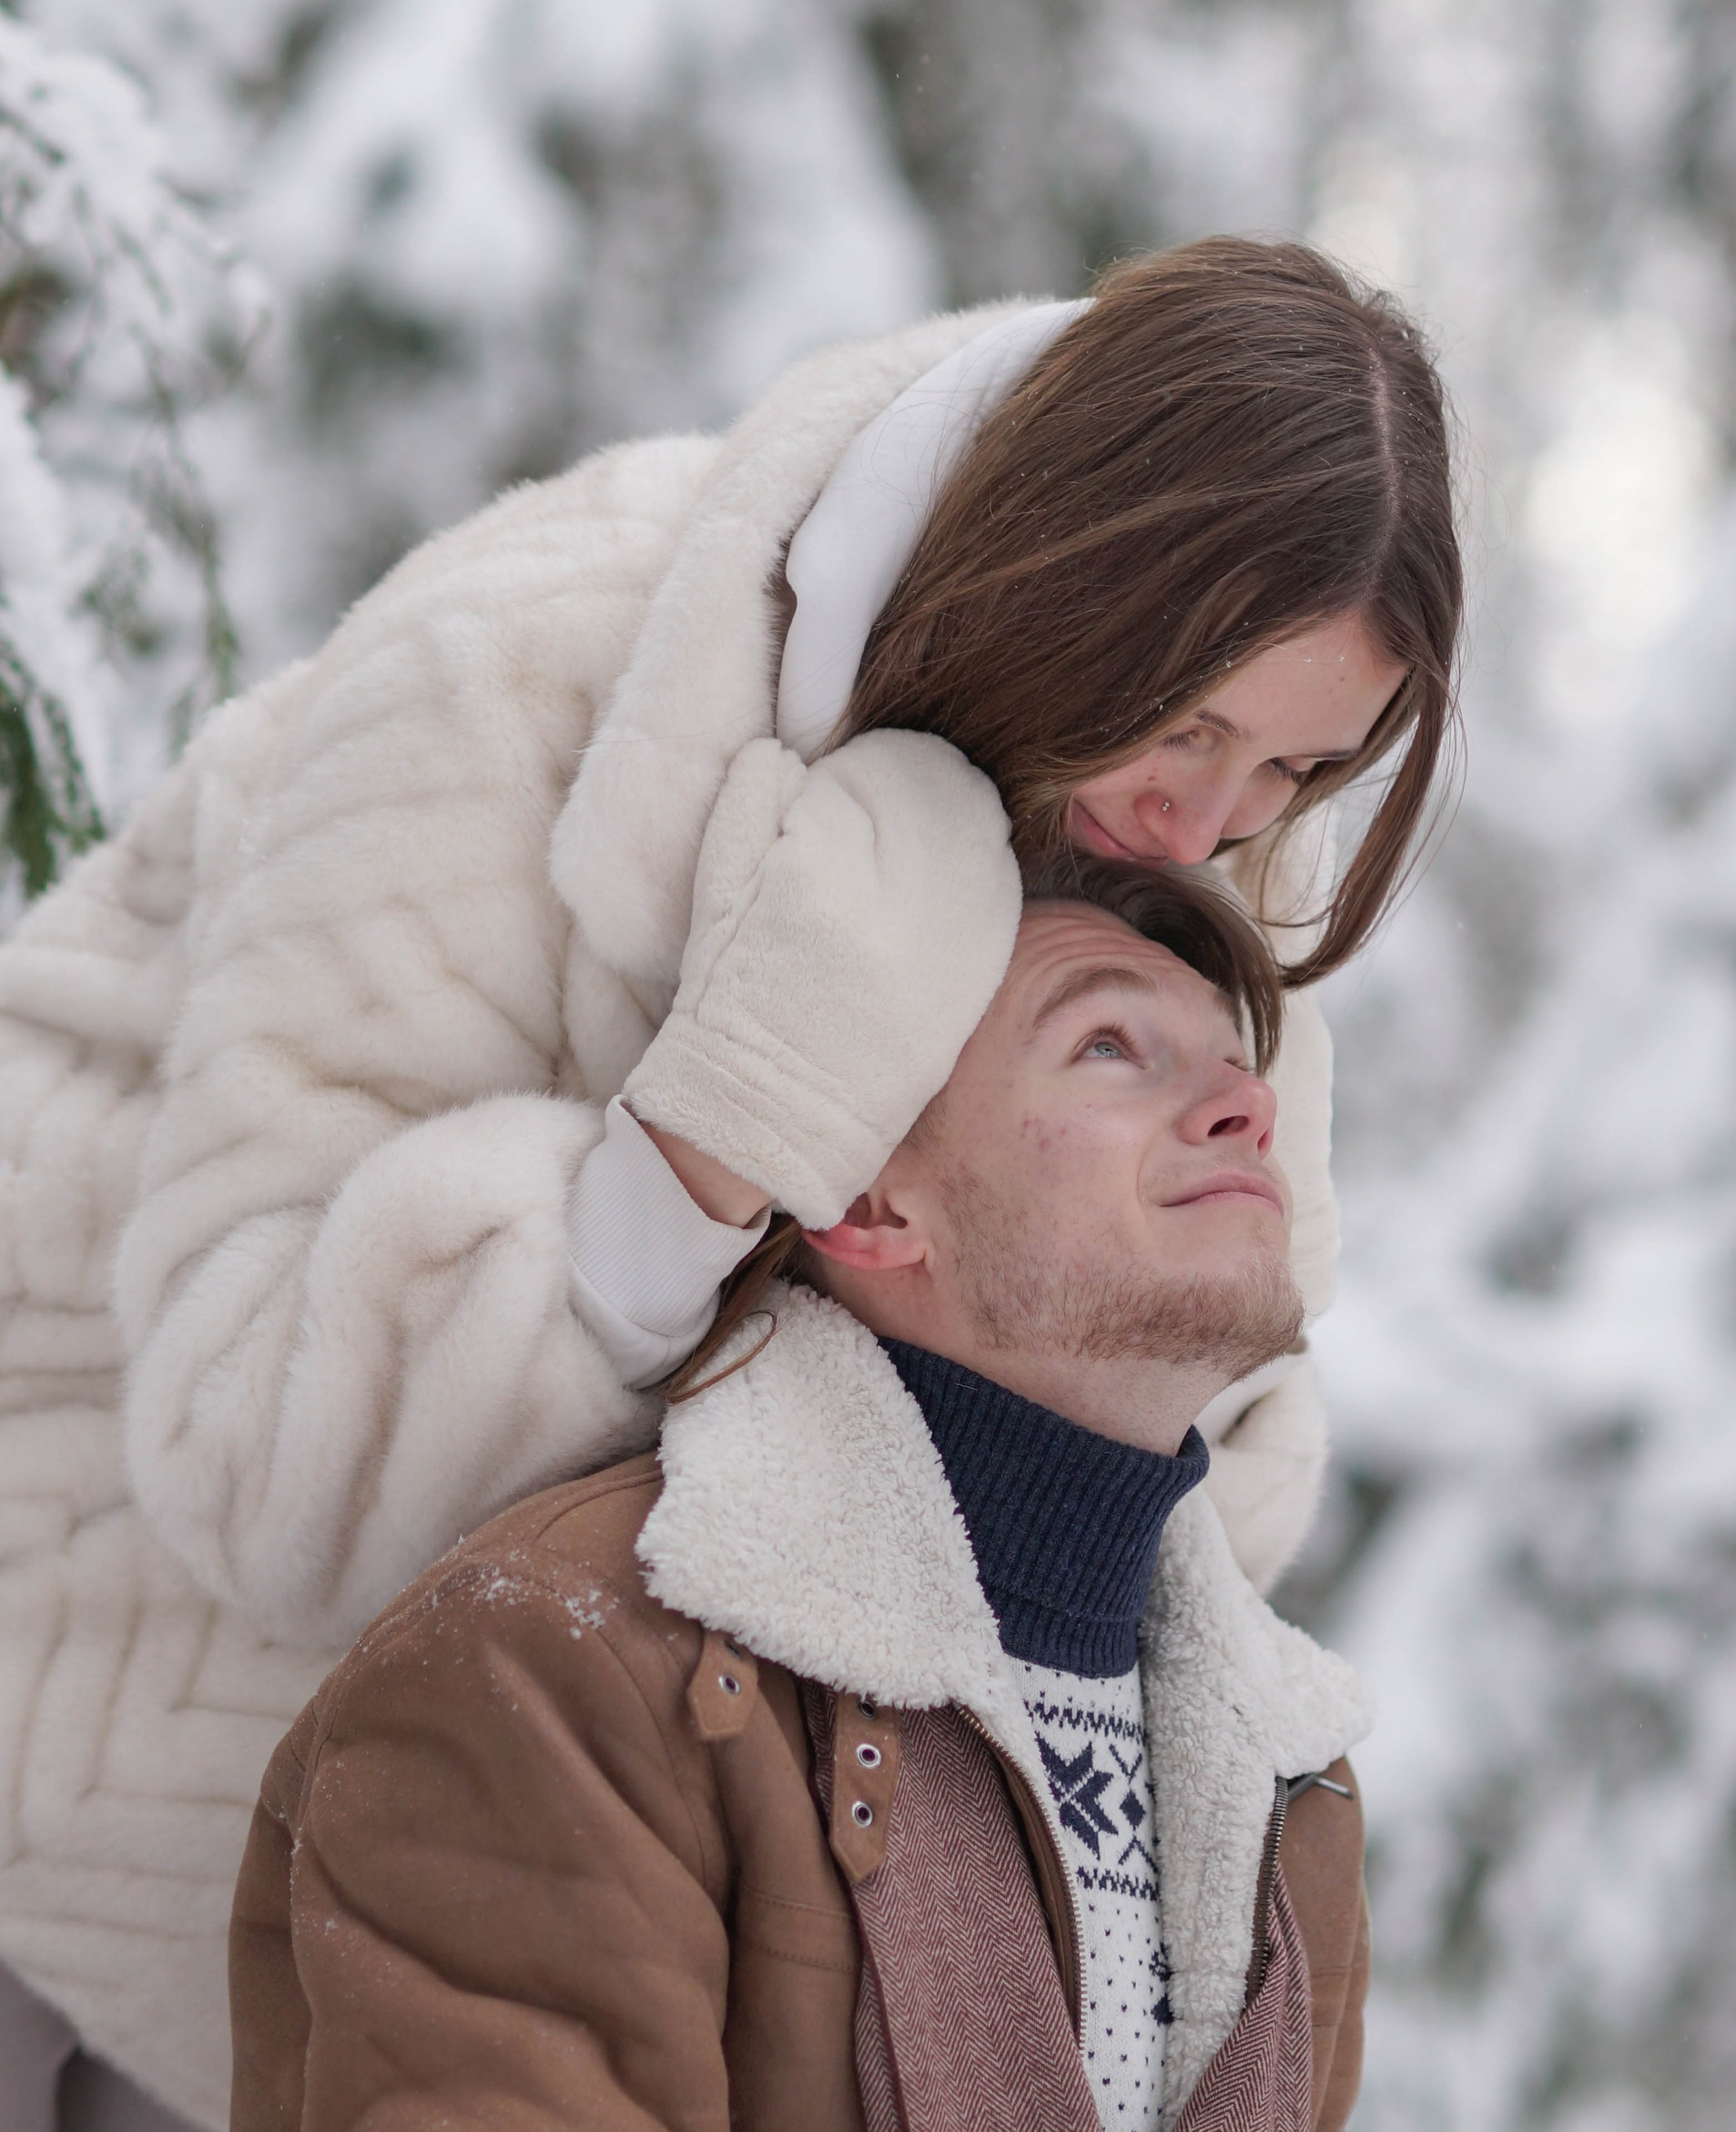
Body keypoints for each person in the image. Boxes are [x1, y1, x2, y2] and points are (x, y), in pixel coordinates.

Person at [0, 239, 1454, 2125]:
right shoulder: (514, 669)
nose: (1206, 825)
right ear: (1066, 574)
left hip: (603, 1888)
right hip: (89, 1727)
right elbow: (263, 1458)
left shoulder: (1159, 818)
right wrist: (719, 1137)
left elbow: (1131, 1499)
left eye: (1300, 768)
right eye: (1185, 726)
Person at [229, 857, 1372, 2132]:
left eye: (1233, 1062)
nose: (1245, 1107)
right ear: (873, 1200)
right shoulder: (560, 1669)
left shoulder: (1294, 1788)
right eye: (1110, 1044)